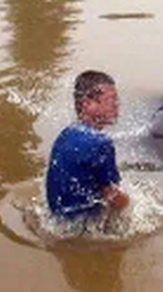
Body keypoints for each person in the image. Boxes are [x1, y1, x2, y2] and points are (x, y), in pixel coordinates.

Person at [46, 70, 129, 220]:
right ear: (87, 104)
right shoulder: (100, 143)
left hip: (56, 220)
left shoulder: (66, 133)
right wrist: (132, 204)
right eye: (111, 100)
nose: (117, 106)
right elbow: (113, 197)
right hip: (82, 228)